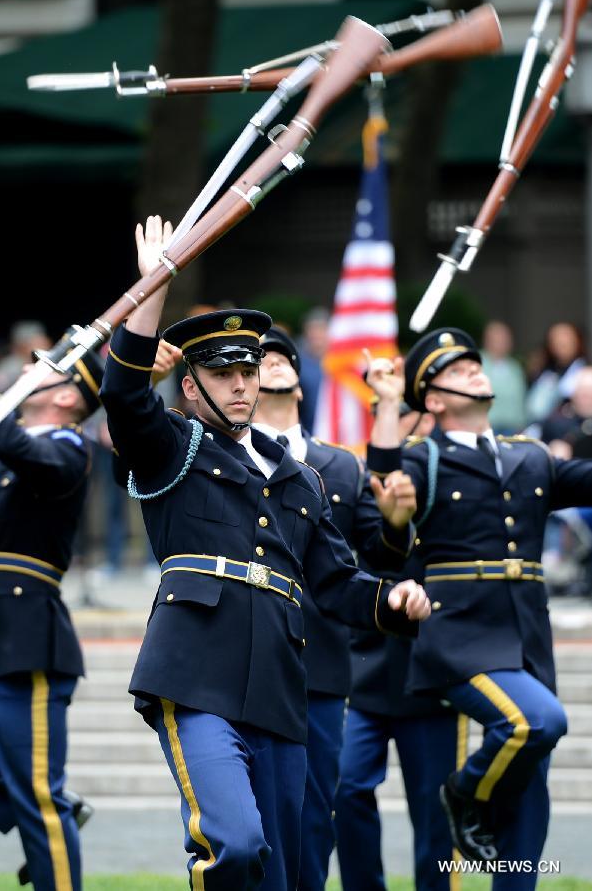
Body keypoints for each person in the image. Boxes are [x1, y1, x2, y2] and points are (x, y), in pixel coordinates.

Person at [99, 215, 430, 891]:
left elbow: (337, 585)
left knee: (284, 868)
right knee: (236, 842)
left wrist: (392, 601)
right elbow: (124, 397)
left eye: (248, 370)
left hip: (281, 683)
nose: (242, 384)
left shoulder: (301, 477)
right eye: (223, 375)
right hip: (193, 673)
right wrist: (154, 283)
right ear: (190, 387)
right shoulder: (175, 447)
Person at [364, 327, 583, 884]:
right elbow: (386, 485)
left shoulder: (530, 455)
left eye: (474, 365)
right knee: (537, 722)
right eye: (458, 371)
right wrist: (389, 405)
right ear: (433, 399)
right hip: (459, 637)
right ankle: (462, 793)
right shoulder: (425, 459)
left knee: (530, 805)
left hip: (527, 639)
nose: (475, 372)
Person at [252, 326, 417, 891]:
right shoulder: (223, 456)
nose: (271, 362)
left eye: (281, 356)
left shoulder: (340, 465)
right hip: (243, 657)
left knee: (314, 815)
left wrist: (396, 525)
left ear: (301, 384)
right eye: (259, 359)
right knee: (245, 819)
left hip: (319, 664)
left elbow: (376, 552)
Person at [0, 323, 103, 891]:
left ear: (67, 396)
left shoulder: (67, 448)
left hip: (20, 632)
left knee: (37, 797)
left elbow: (14, 444)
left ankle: (46, 809)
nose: (28, 372)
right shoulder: (0, 445)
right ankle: (44, 802)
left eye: (44, 370)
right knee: (32, 792)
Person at [334, 401, 462, 891]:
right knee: (345, 787)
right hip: (368, 664)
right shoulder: (370, 478)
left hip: (432, 669)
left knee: (434, 809)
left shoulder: (456, 477)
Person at [525, 321, 586, 424]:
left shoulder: (585, 372)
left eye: (566, 337)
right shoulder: (545, 372)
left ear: (577, 340)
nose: (561, 342)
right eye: (556, 338)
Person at [480, 321, 527, 436]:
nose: (502, 342)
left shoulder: (515, 367)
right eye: (497, 338)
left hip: (513, 428)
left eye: (505, 338)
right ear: (487, 340)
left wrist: (522, 425)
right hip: (486, 427)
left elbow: (521, 398)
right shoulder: (476, 363)